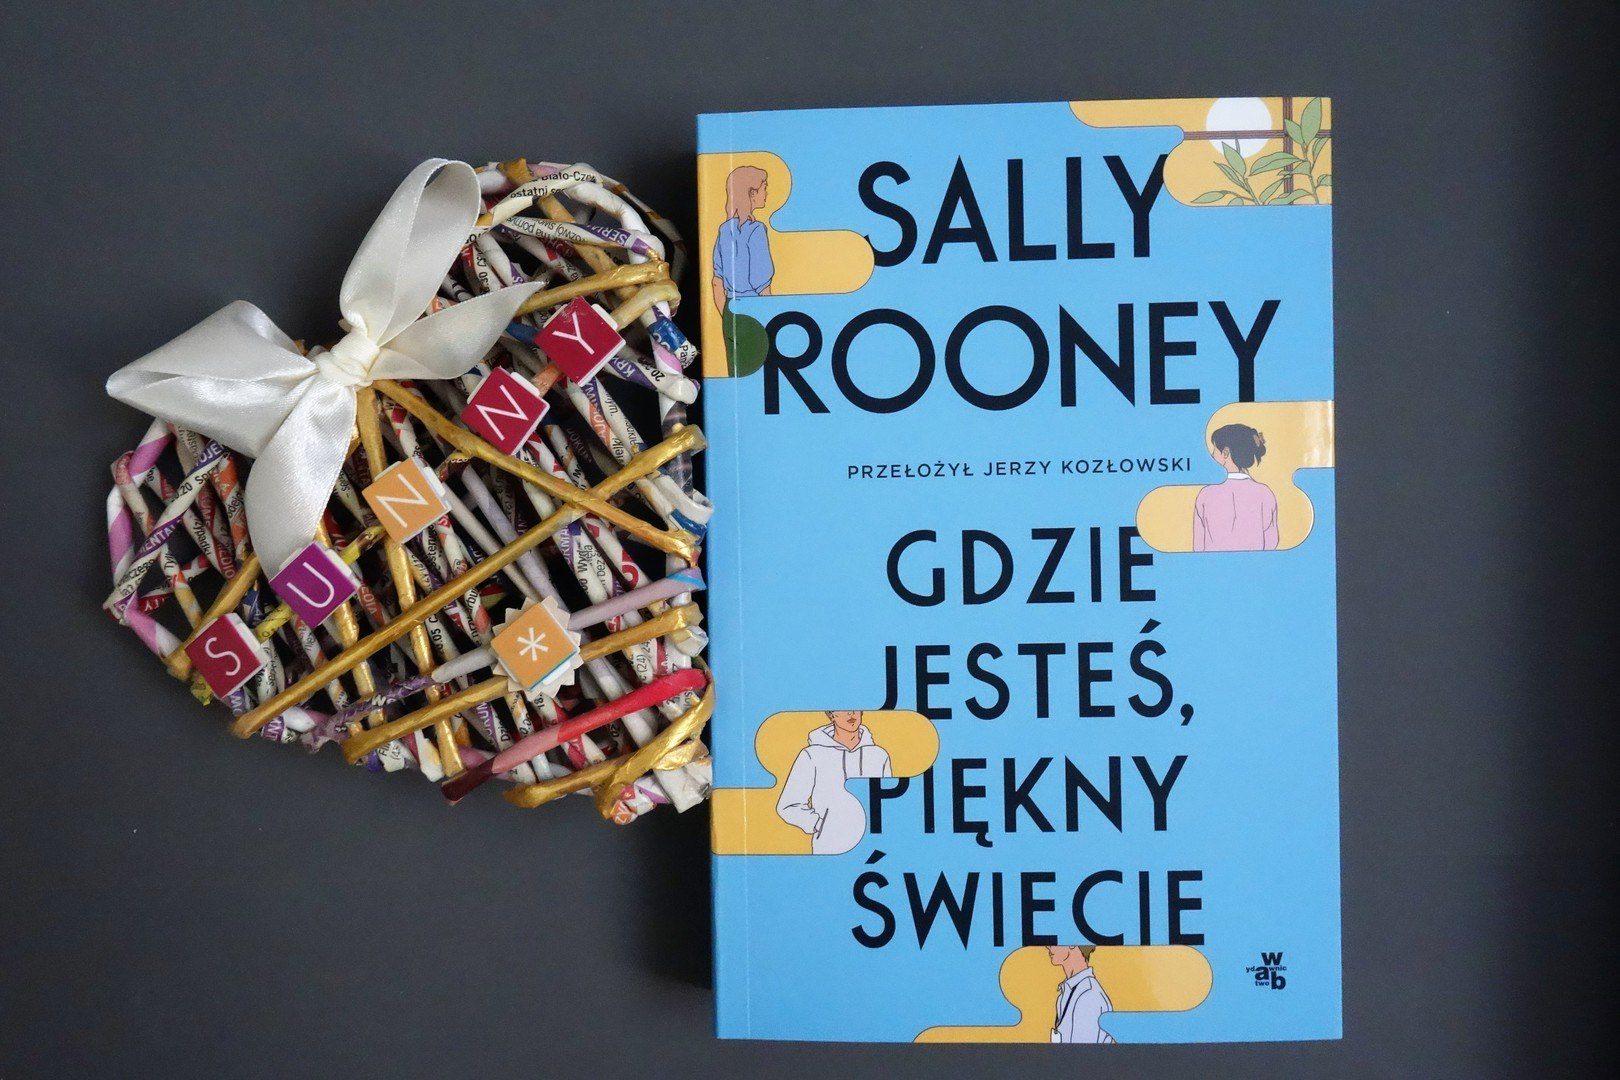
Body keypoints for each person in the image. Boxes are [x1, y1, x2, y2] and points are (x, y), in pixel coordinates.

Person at [776, 710, 892, 854]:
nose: (851, 713)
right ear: (831, 715)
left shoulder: (879, 756)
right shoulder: (812, 755)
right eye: (842, 708)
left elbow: (888, 806)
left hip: (872, 847)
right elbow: (788, 805)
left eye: (856, 707)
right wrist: (821, 825)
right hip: (830, 847)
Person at [1193, 422, 1279, 551]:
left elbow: (1198, 548)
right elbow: (1271, 544)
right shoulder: (1265, 493)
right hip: (1253, 564)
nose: (1211, 456)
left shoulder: (1205, 494)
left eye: (1214, 451)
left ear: (1225, 453)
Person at [711, 165, 774, 314]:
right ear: (752, 193)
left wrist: (727, 317)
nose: (766, 193)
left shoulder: (724, 229)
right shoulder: (757, 230)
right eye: (764, 188)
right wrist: (771, 315)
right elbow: (762, 286)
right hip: (755, 309)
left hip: (730, 307)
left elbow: (717, 283)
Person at [1047, 945, 1116, 1044]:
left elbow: (1082, 1053)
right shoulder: (1065, 993)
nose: (1048, 946)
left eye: (1054, 941)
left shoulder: (1088, 995)